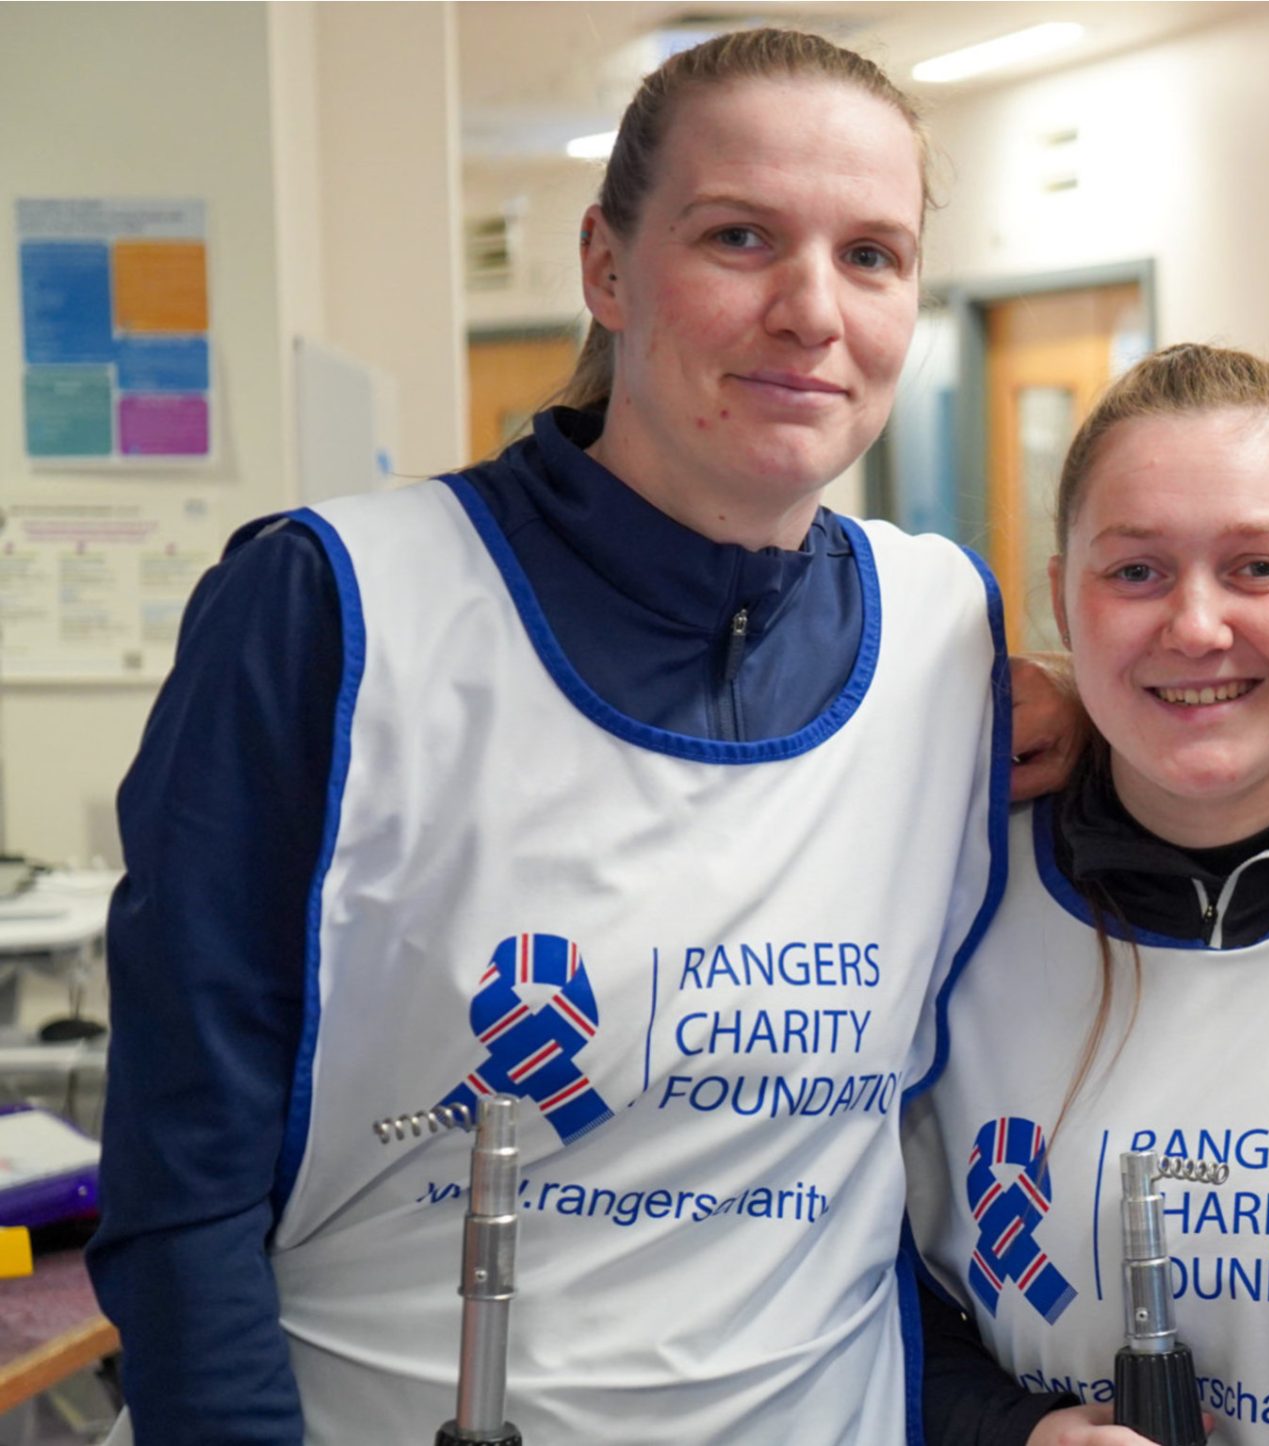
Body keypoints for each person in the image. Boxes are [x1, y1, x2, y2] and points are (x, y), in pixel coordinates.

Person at [90, 30, 1016, 1443]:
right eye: (741, 237)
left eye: (874, 254)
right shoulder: (335, 609)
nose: (811, 309)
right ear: (605, 267)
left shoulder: (949, 636)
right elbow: (181, 1183)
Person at [903, 344, 1269, 1446]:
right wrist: (1013, 1433)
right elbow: (860, 1295)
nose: (1193, 626)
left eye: (1258, 568)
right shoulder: (961, 891)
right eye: (1134, 572)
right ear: (1059, 599)